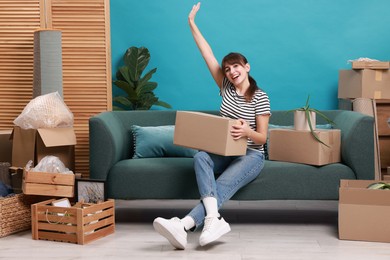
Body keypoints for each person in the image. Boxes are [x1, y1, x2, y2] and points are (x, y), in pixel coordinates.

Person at [153, 2, 271, 249]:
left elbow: (262, 138)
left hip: (251, 155)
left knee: (222, 185)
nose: (231, 71)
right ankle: (213, 219)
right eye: (227, 69)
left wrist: (247, 131)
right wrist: (192, 24)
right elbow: (206, 52)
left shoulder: (260, 96)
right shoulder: (225, 88)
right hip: (225, 151)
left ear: (246, 67)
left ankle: (184, 224)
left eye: (236, 66)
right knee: (201, 158)